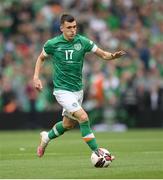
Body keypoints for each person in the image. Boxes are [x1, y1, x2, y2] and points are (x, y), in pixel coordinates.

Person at [33, 14, 126, 159]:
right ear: (61, 28)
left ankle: (46, 137)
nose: (73, 30)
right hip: (62, 91)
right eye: (69, 27)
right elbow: (41, 58)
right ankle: (98, 153)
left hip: (78, 91)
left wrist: (113, 56)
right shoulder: (52, 44)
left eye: (75, 27)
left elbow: (102, 54)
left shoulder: (83, 42)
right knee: (83, 117)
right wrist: (36, 77)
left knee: (68, 125)